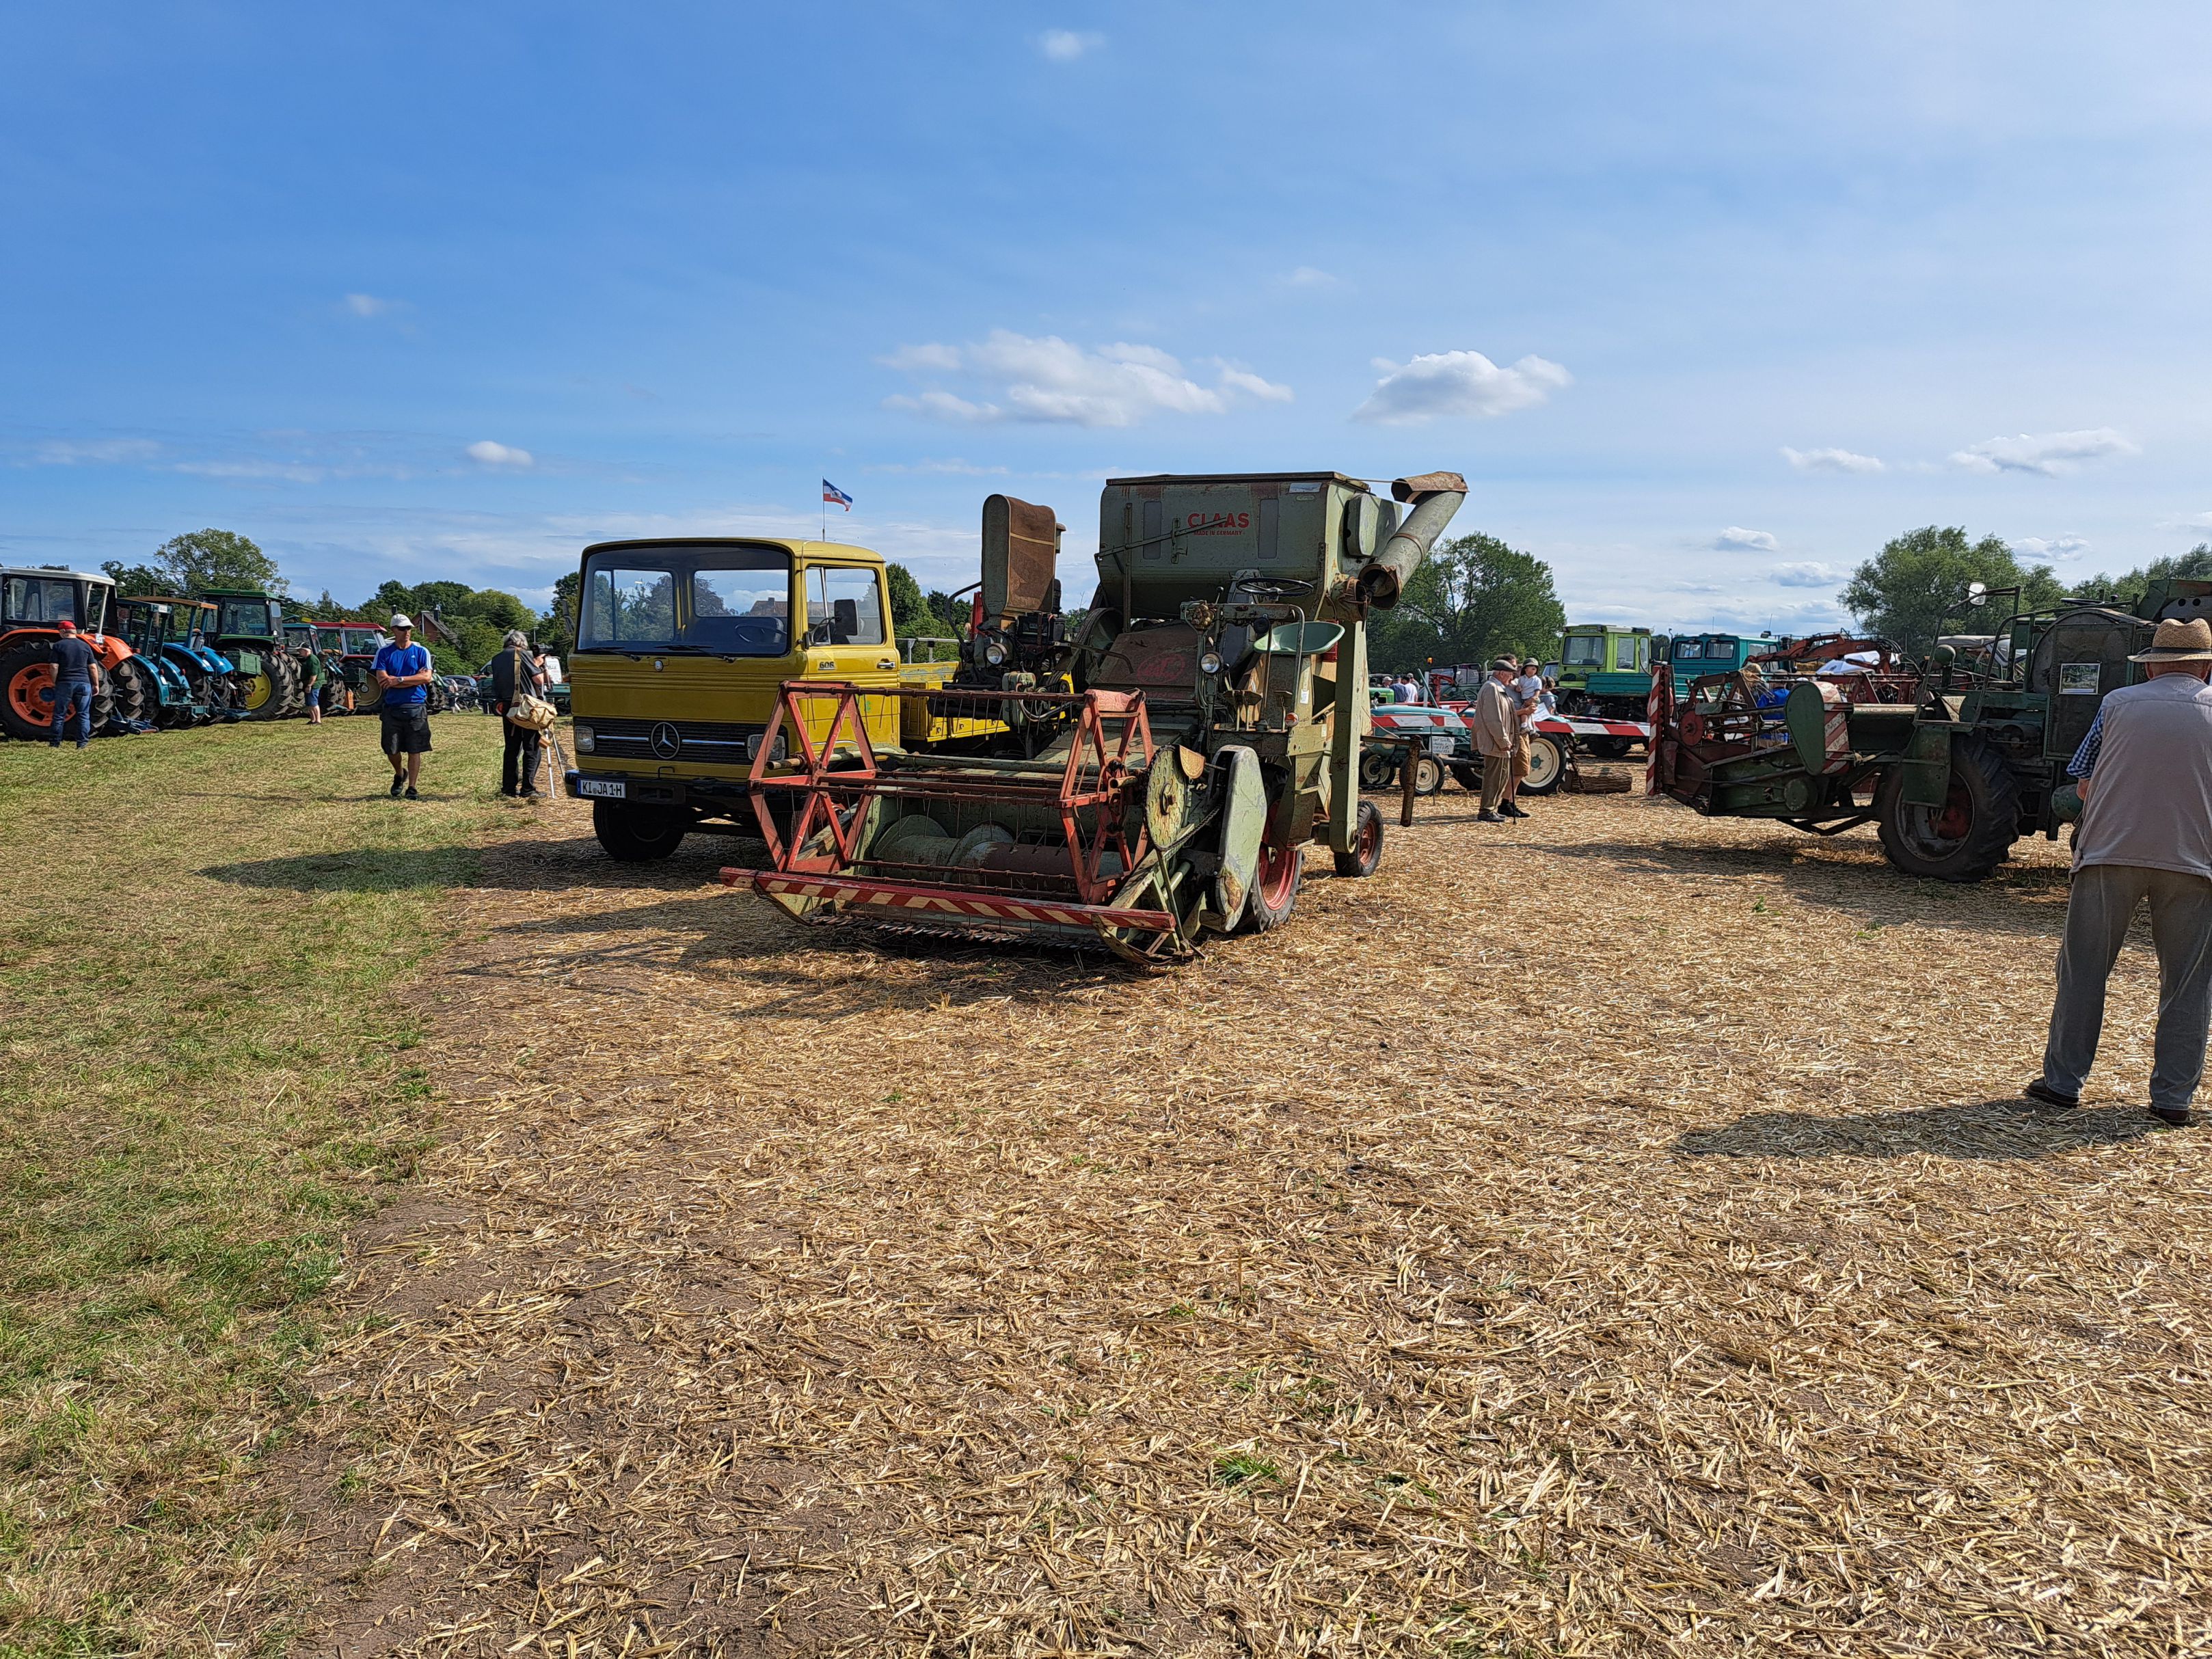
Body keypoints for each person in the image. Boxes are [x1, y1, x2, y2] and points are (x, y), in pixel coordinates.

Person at [2027, 616, 2212, 1127]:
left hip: (2110, 852)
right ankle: (2173, 1098)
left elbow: (2083, 784)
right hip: (2194, 860)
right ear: (2206, 667)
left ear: (2150, 665)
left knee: (2084, 971)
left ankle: (2063, 1083)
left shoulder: (2116, 704)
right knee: (2188, 982)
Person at [372, 613, 435, 799]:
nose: (407, 632)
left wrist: (398, 680)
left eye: (409, 628)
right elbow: (383, 681)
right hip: (392, 707)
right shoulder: (384, 653)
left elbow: (427, 677)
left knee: (415, 749)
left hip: (416, 706)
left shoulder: (421, 651)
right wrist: (413, 679)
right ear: (394, 630)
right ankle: (400, 773)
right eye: (402, 629)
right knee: (391, 749)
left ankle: (412, 787)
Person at [489, 630, 550, 797]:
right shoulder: (522, 655)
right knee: (531, 746)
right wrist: (538, 663)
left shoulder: (497, 658)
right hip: (526, 706)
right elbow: (539, 680)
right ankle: (528, 788)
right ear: (521, 643)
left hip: (507, 705)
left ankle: (508, 788)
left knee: (512, 748)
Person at [1469, 657, 1519, 824]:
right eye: (1510, 674)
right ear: (1501, 673)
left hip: (1498, 743)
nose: (1512, 677)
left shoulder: (1497, 688)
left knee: (1501, 776)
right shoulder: (1492, 689)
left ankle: (1491, 809)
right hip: (1494, 743)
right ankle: (1487, 810)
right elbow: (1493, 719)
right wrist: (1503, 740)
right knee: (1494, 777)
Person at [48, 619, 97, 749]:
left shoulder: (58, 646)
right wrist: (96, 684)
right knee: (83, 714)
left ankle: (55, 743)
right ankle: (82, 743)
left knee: (59, 715)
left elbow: (54, 666)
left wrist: (54, 682)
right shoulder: (86, 646)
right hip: (84, 684)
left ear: (63, 631)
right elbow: (93, 667)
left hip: (65, 683)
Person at [293, 628, 326, 725]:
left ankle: (318, 720)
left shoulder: (312, 660)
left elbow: (314, 674)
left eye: (300, 650)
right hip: (308, 684)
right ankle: (313, 720)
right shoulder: (308, 659)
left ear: (305, 650)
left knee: (314, 703)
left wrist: (309, 685)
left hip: (313, 685)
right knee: (309, 703)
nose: (299, 652)